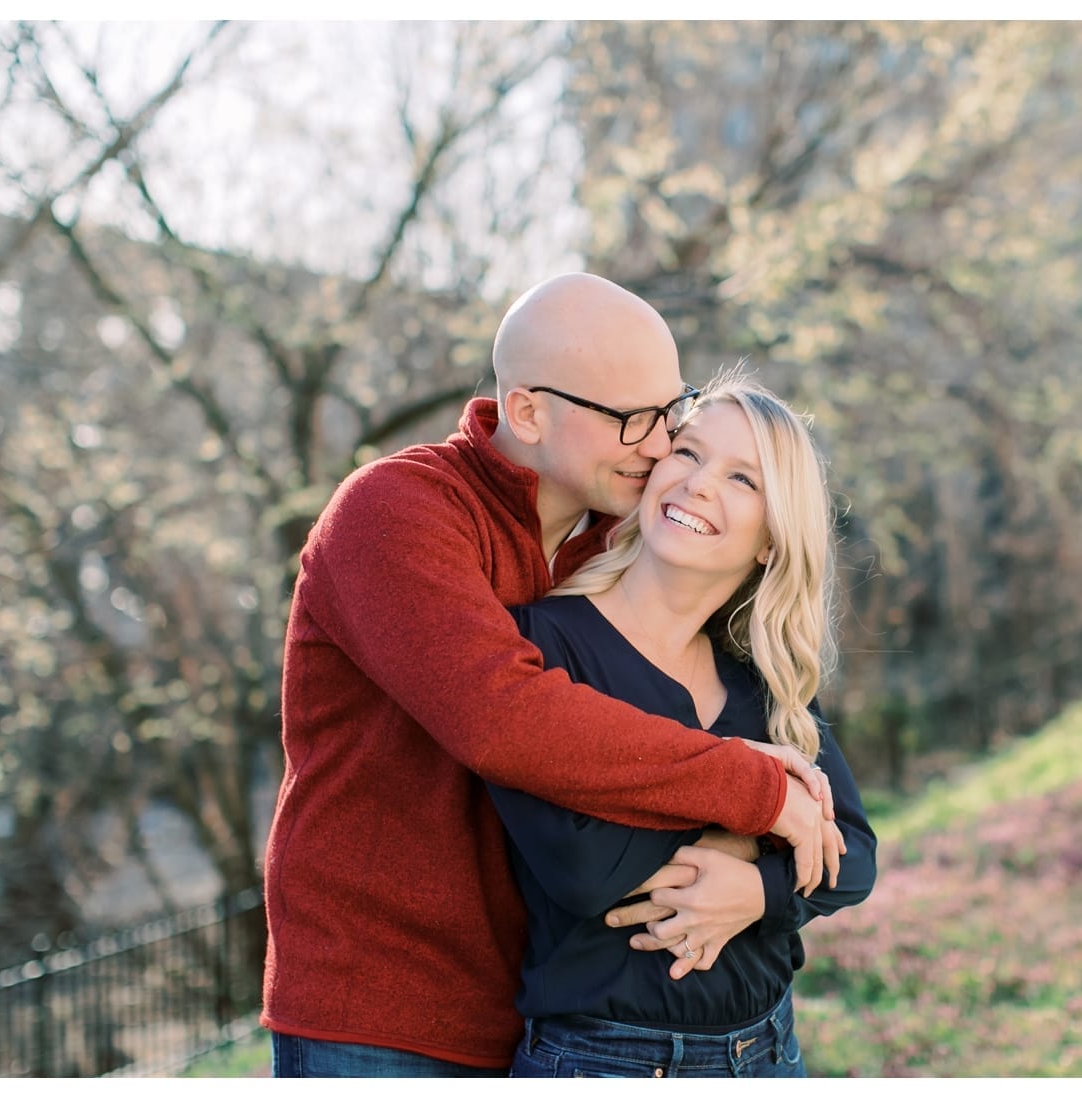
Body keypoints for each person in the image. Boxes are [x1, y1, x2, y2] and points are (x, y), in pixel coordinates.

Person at [260, 273, 840, 1077]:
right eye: (634, 419)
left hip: (551, 1012)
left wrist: (757, 881)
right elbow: (505, 718)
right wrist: (759, 792)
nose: (661, 443)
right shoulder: (395, 513)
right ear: (529, 411)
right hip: (386, 1013)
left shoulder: (619, 544)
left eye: (672, 410)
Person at [490, 373, 877, 1078]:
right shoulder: (546, 644)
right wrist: (751, 805)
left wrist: (754, 892)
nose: (699, 484)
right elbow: (583, 869)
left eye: (742, 479)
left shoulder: (758, 679)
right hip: (600, 1060)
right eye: (689, 453)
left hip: (767, 1051)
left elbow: (852, 855)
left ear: (771, 539)